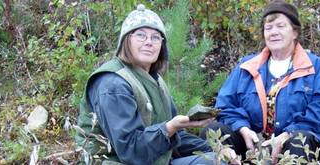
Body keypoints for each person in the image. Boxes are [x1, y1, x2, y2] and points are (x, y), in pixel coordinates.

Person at [75, 4, 238, 165]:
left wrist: (216, 150)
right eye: (140, 35)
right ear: (126, 40)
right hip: (116, 161)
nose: (149, 42)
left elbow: (177, 138)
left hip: (154, 159)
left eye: (155, 37)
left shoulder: (154, 80)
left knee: (218, 160)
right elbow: (130, 151)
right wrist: (168, 128)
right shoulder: (113, 84)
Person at [201, 0, 320, 163]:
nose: (273, 32)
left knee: (299, 140)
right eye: (268, 27)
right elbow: (225, 105)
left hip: (296, 145)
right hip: (253, 146)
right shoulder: (246, 67)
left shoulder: (316, 67)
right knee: (213, 131)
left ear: (294, 32)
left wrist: (287, 135)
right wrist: (243, 128)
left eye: (280, 26)